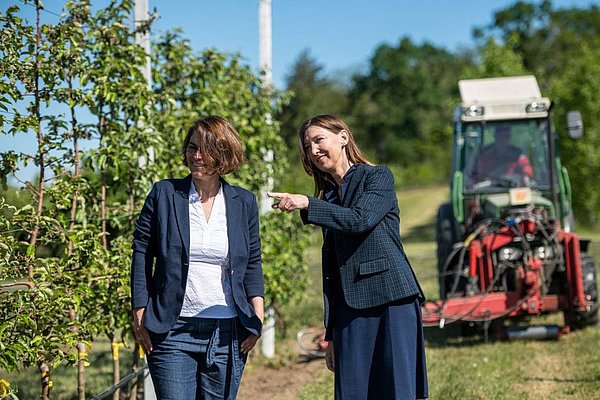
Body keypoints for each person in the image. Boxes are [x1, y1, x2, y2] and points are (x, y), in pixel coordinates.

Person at [268, 115, 428, 400]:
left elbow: (359, 219)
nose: (314, 150)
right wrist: (331, 335)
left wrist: (307, 202)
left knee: (397, 390)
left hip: (391, 301)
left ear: (343, 137)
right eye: (307, 146)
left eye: (319, 140)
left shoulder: (378, 177)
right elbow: (332, 271)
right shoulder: (328, 196)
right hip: (350, 309)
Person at [131, 116, 264, 399]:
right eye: (192, 147)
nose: (197, 156)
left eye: (205, 149)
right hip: (172, 329)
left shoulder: (244, 202)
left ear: (225, 153)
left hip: (228, 331)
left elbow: (252, 262)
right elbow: (142, 251)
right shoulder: (164, 194)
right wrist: (140, 310)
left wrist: (258, 316)